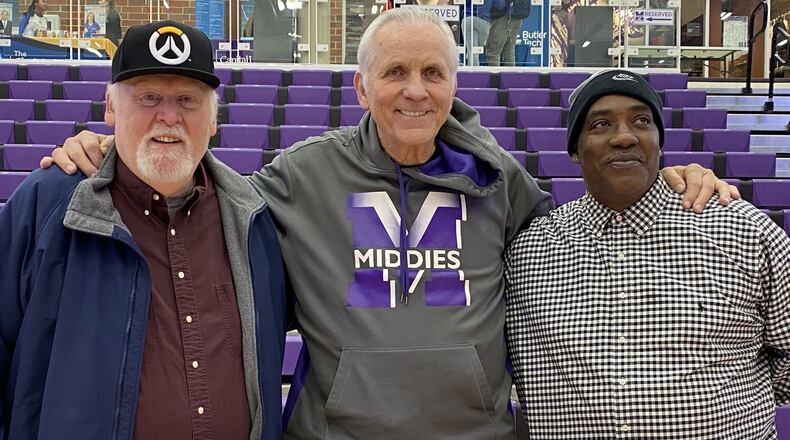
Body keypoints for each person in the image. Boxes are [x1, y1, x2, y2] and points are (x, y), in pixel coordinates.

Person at [47, 10, 735, 440]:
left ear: (453, 87)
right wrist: (106, 153)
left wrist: (676, 179)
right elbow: (193, 190)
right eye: (396, 72)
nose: (415, 90)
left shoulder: (498, 178)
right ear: (361, 87)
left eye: (433, 72)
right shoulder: (300, 175)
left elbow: (585, 232)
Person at [0, 20, 287, 439]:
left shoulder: (251, 219)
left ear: (213, 119)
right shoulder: (48, 205)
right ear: (111, 108)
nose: (168, 116)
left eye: (188, 100)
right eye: (149, 97)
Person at [504, 69, 790, 438]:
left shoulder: (744, 231)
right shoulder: (530, 251)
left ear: (659, 141)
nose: (624, 137)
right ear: (575, 150)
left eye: (641, 121)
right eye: (601, 124)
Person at [484, 0, 529, 66]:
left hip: (503, 16)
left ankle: (494, 76)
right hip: (517, 16)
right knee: (509, 52)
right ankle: (510, 76)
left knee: (493, 52)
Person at [461, 0, 493, 66]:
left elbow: (461, 4)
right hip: (484, 20)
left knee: (472, 51)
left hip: (468, 18)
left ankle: (472, 74)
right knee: (475, 51)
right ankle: (473, 73)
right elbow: (500, 5)